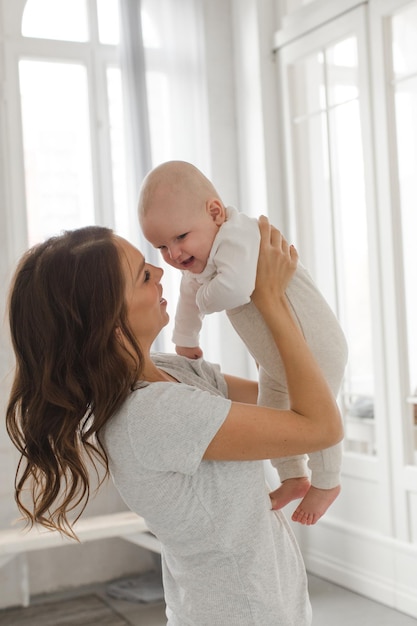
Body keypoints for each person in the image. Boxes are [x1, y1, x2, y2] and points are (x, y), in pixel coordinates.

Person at [6, 219, 342, 625]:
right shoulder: (152, 414)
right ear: (111, 324)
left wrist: (261, 293)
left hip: (266, 604)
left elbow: (286, 395)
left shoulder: (172, 372)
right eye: (144, 275)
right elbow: (320, 427)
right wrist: (270, 301)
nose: (163, 272)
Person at [139, 160, 348, 525]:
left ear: (215, 212)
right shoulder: (201, 264)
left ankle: (327, 482)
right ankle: (293, 476)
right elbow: (189, 298)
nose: (173, 255)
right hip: (275, 359)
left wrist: (203, 296)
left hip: (313, 345)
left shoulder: (238, 236)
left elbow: (235, 289)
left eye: (180, 238)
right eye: (161, 246)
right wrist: (185, 340)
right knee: (275, 412)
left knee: (318, 412)